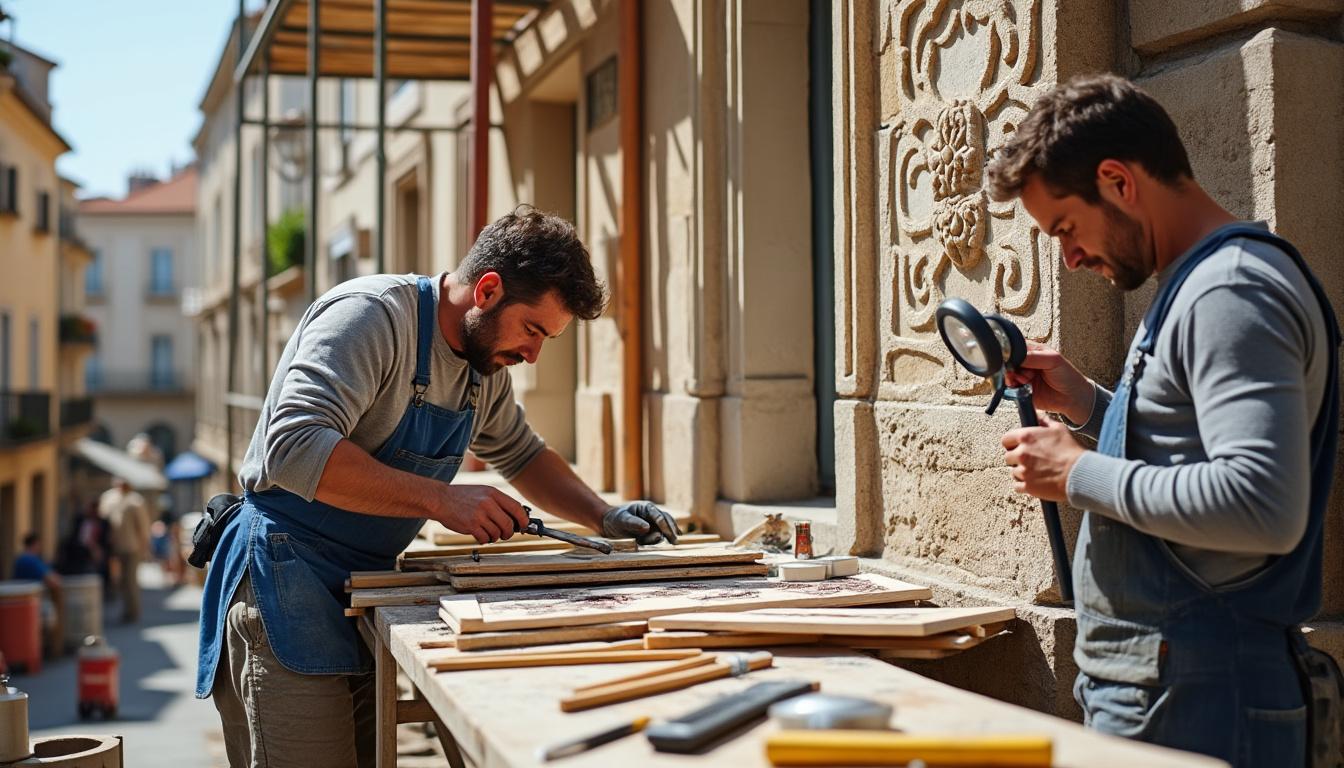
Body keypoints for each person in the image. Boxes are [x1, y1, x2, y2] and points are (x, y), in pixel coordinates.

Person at [195, 208, 681, 767]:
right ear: (488, 290)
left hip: (361, 586)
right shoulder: (371, 318)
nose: (532, 354)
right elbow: (294, 447)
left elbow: (522, 454)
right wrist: (443, 499)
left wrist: (602, 515)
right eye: (532, 330)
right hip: (283, 577)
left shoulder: (483, 368)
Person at [984, 74, 1339, 766]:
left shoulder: (1229, 290)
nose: (1070, 256)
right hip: (1175, 690)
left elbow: (1262, 504)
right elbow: (1197, 451)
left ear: (1118, 181)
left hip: (1203, 701)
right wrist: (1089, 404)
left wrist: (1078, 471)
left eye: (1065, 228)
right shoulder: (1199, 283)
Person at [99, 477, 151, 623]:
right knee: (118, 581)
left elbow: (143, 526)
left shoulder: (135, 501)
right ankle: (123, 609)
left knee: (130, 580)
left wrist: (144, 547)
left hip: (131, 547)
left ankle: (132, 612)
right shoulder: (108, 498)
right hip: (112, 547)